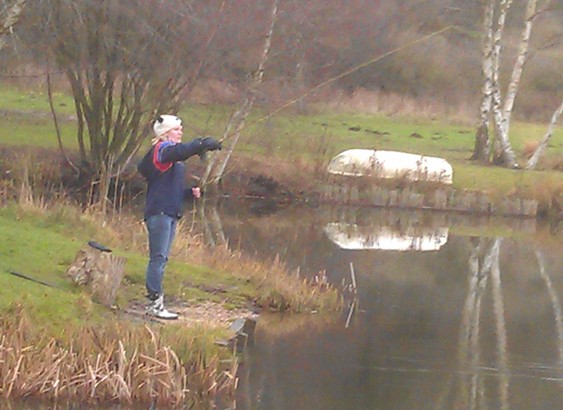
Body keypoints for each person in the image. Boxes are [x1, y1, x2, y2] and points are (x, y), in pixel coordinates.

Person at [137, 114, 221, 319]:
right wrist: (200, 144)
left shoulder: (171, 158)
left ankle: (157, 303)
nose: (180, 132)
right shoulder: (162, 150)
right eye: (176, 129)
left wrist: (188, 194)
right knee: (157, 259)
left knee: (162, 259)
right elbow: (180, 151)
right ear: (165, 134)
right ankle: (155, 304)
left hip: (169, 212)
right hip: (160, 213)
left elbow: (167, 188)